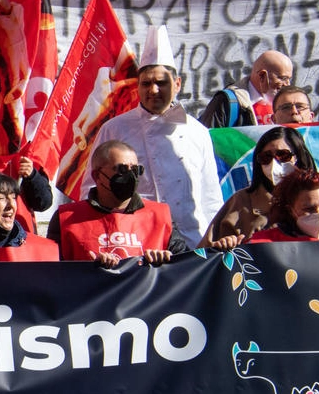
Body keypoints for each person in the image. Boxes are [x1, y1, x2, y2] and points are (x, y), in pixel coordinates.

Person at [93, 26, 223, 246]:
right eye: (146, 83)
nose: (153, 90)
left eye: (161, 83)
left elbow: (210, 197)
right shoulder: (115, 129)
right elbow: (93, 188)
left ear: (177, 84)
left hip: (193, 242)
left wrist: (213, 242)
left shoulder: (197, 131)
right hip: (136, 241)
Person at [48, 140, 190, 265]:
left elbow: (186, 265)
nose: (131, 176)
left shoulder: (159, 216)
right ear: (97, 175)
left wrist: (165, 261)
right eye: (122, 169)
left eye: (135, 170)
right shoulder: (66, 218)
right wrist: (89, 268)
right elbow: (54, 272)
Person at [204, 126, 316, 244]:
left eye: (283, 155)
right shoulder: (242, 201)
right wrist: (224, 244)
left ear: (298, 156)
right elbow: (207, 251)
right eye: (266, 157)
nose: (274, 163)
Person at [248, 170, 319, 243]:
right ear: (291, 210)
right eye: (308, 209)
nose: (318, 214)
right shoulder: (264, 243)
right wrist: (230, 247)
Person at [198, 50, 293, 128]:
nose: (287, 84)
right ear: (262, 76)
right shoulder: (227, 102)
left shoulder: (290, 104)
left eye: (289, 79)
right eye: (282, 78)